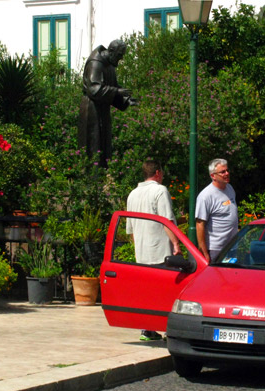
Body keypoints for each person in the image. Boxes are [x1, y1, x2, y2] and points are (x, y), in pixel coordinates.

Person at [127, 159, 180, 341]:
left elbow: (131, 229)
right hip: (160, 251)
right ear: (157, 173)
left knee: (146, 292)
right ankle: (167, 329)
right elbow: (167, 221)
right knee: (166, 290)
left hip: (141, 252)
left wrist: (138, 247)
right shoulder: (160, 191)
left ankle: (146, 329)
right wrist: (176, 244)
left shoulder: (132, 194)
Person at [78, 39, 138, 168]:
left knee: (103, 147)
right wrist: (117, 91)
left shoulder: (110, 65)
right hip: (91, 110)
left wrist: (126, 100)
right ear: (111, 51)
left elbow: (112, 89)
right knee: (93, 146)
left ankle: (102, 179)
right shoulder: (96, 63)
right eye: (119, 55)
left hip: (102, 109)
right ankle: (91, 180)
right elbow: (94, 90)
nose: (120, 59)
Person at [195, 158, 239, 263]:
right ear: (213, 176)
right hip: (216, 249)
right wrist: (203, 252)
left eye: (227, 170)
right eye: (222, 172)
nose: (227, 173)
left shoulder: (230, 188)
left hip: (232, 247)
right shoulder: (205, 196)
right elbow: (200, 224)